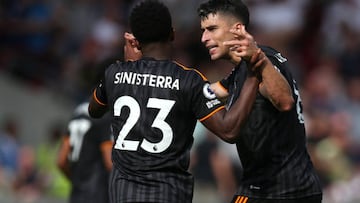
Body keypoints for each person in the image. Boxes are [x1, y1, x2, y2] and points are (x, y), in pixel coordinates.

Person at [88, 0, 266, 202]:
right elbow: (228, 130)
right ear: (172, 34)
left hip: (124, 195)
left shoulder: (114, 73)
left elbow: (94, 110)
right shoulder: (189, 80)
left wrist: (129, 65)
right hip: (169, 194)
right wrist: (253, 78)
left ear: (135, 41)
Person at [197, 0, 323, 202]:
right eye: (203, 31)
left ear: (237, 29)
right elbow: (208, 92)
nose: (204, 38)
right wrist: (173, 84)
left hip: (281, 191)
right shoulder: (240, 71)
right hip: (278, 187)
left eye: (212, 29)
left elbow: (284, 101)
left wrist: (260, 59)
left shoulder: (265, 60)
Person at [57, 102, 113, 203]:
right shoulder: (104, 118)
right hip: (97, 192)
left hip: (76, 193)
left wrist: (75, 180)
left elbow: (61, 161)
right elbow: (109, 163)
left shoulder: (76, 116)